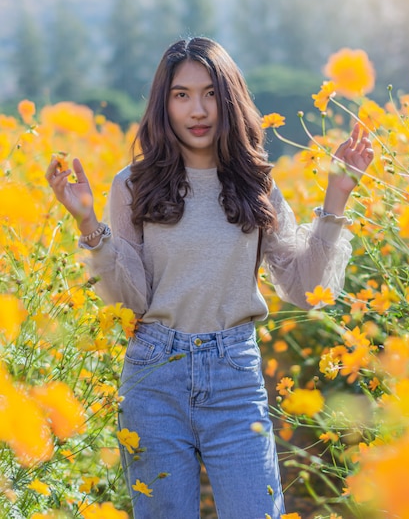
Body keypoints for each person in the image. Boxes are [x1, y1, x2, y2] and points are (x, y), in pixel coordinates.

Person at [45, 37, 374, 519]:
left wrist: (337, 198)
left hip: (234, 375)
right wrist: (88, 225)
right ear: (164, 103)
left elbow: (306, 287)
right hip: (154, 375)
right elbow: (130, 299)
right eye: (182, 95)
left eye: (210, 93)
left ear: (229, 98)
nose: (197, 110)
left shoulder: (255, 184)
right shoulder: (131, 186)